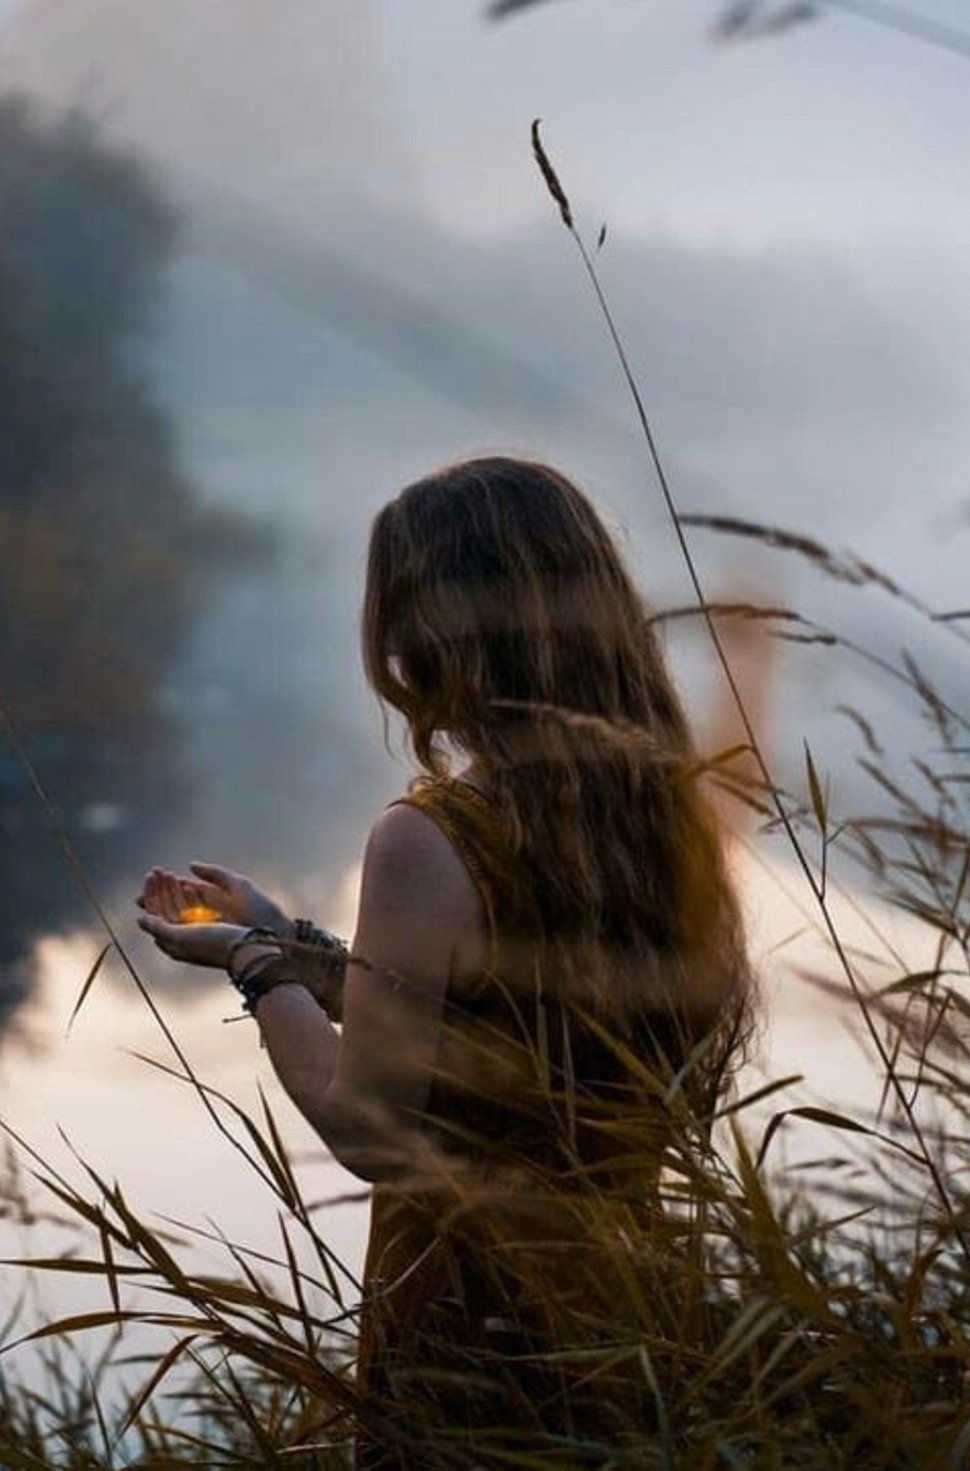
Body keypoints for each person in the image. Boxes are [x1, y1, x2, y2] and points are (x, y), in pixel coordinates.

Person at [136, 456, 754, 1467]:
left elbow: (370, 1128)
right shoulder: (666, 820)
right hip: (633, 1327)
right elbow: (495, 1024)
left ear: (426, 634)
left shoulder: (434, 837)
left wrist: (257, 966)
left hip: (469, 1347)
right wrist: (304, 949)